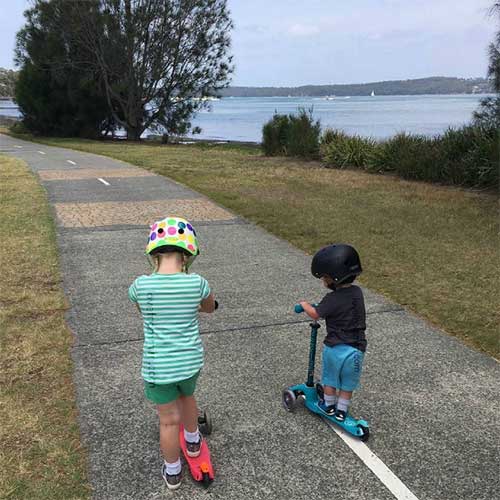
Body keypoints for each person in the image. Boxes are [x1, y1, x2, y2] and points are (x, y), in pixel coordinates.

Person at [128, 216, 216, 490]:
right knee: (187, 397)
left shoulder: (141, 286)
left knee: (168, 422)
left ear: (153, 253)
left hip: (158, 367)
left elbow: (143, 312)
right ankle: (192, 441)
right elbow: (209, 308)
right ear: (188, 255)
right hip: (189, 362)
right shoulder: (198, 283)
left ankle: (173, 472)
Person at [299, 243, 366, 422]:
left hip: (336, 348)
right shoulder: (358, 293)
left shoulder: (332, 298)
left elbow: (315, 314)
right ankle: (342, 410)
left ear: (333, 277)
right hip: (357, 349)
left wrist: (305, 305)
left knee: (330, 379)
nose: (323, 280)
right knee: (347, 383)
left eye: (325, 277)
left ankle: (328, 406)